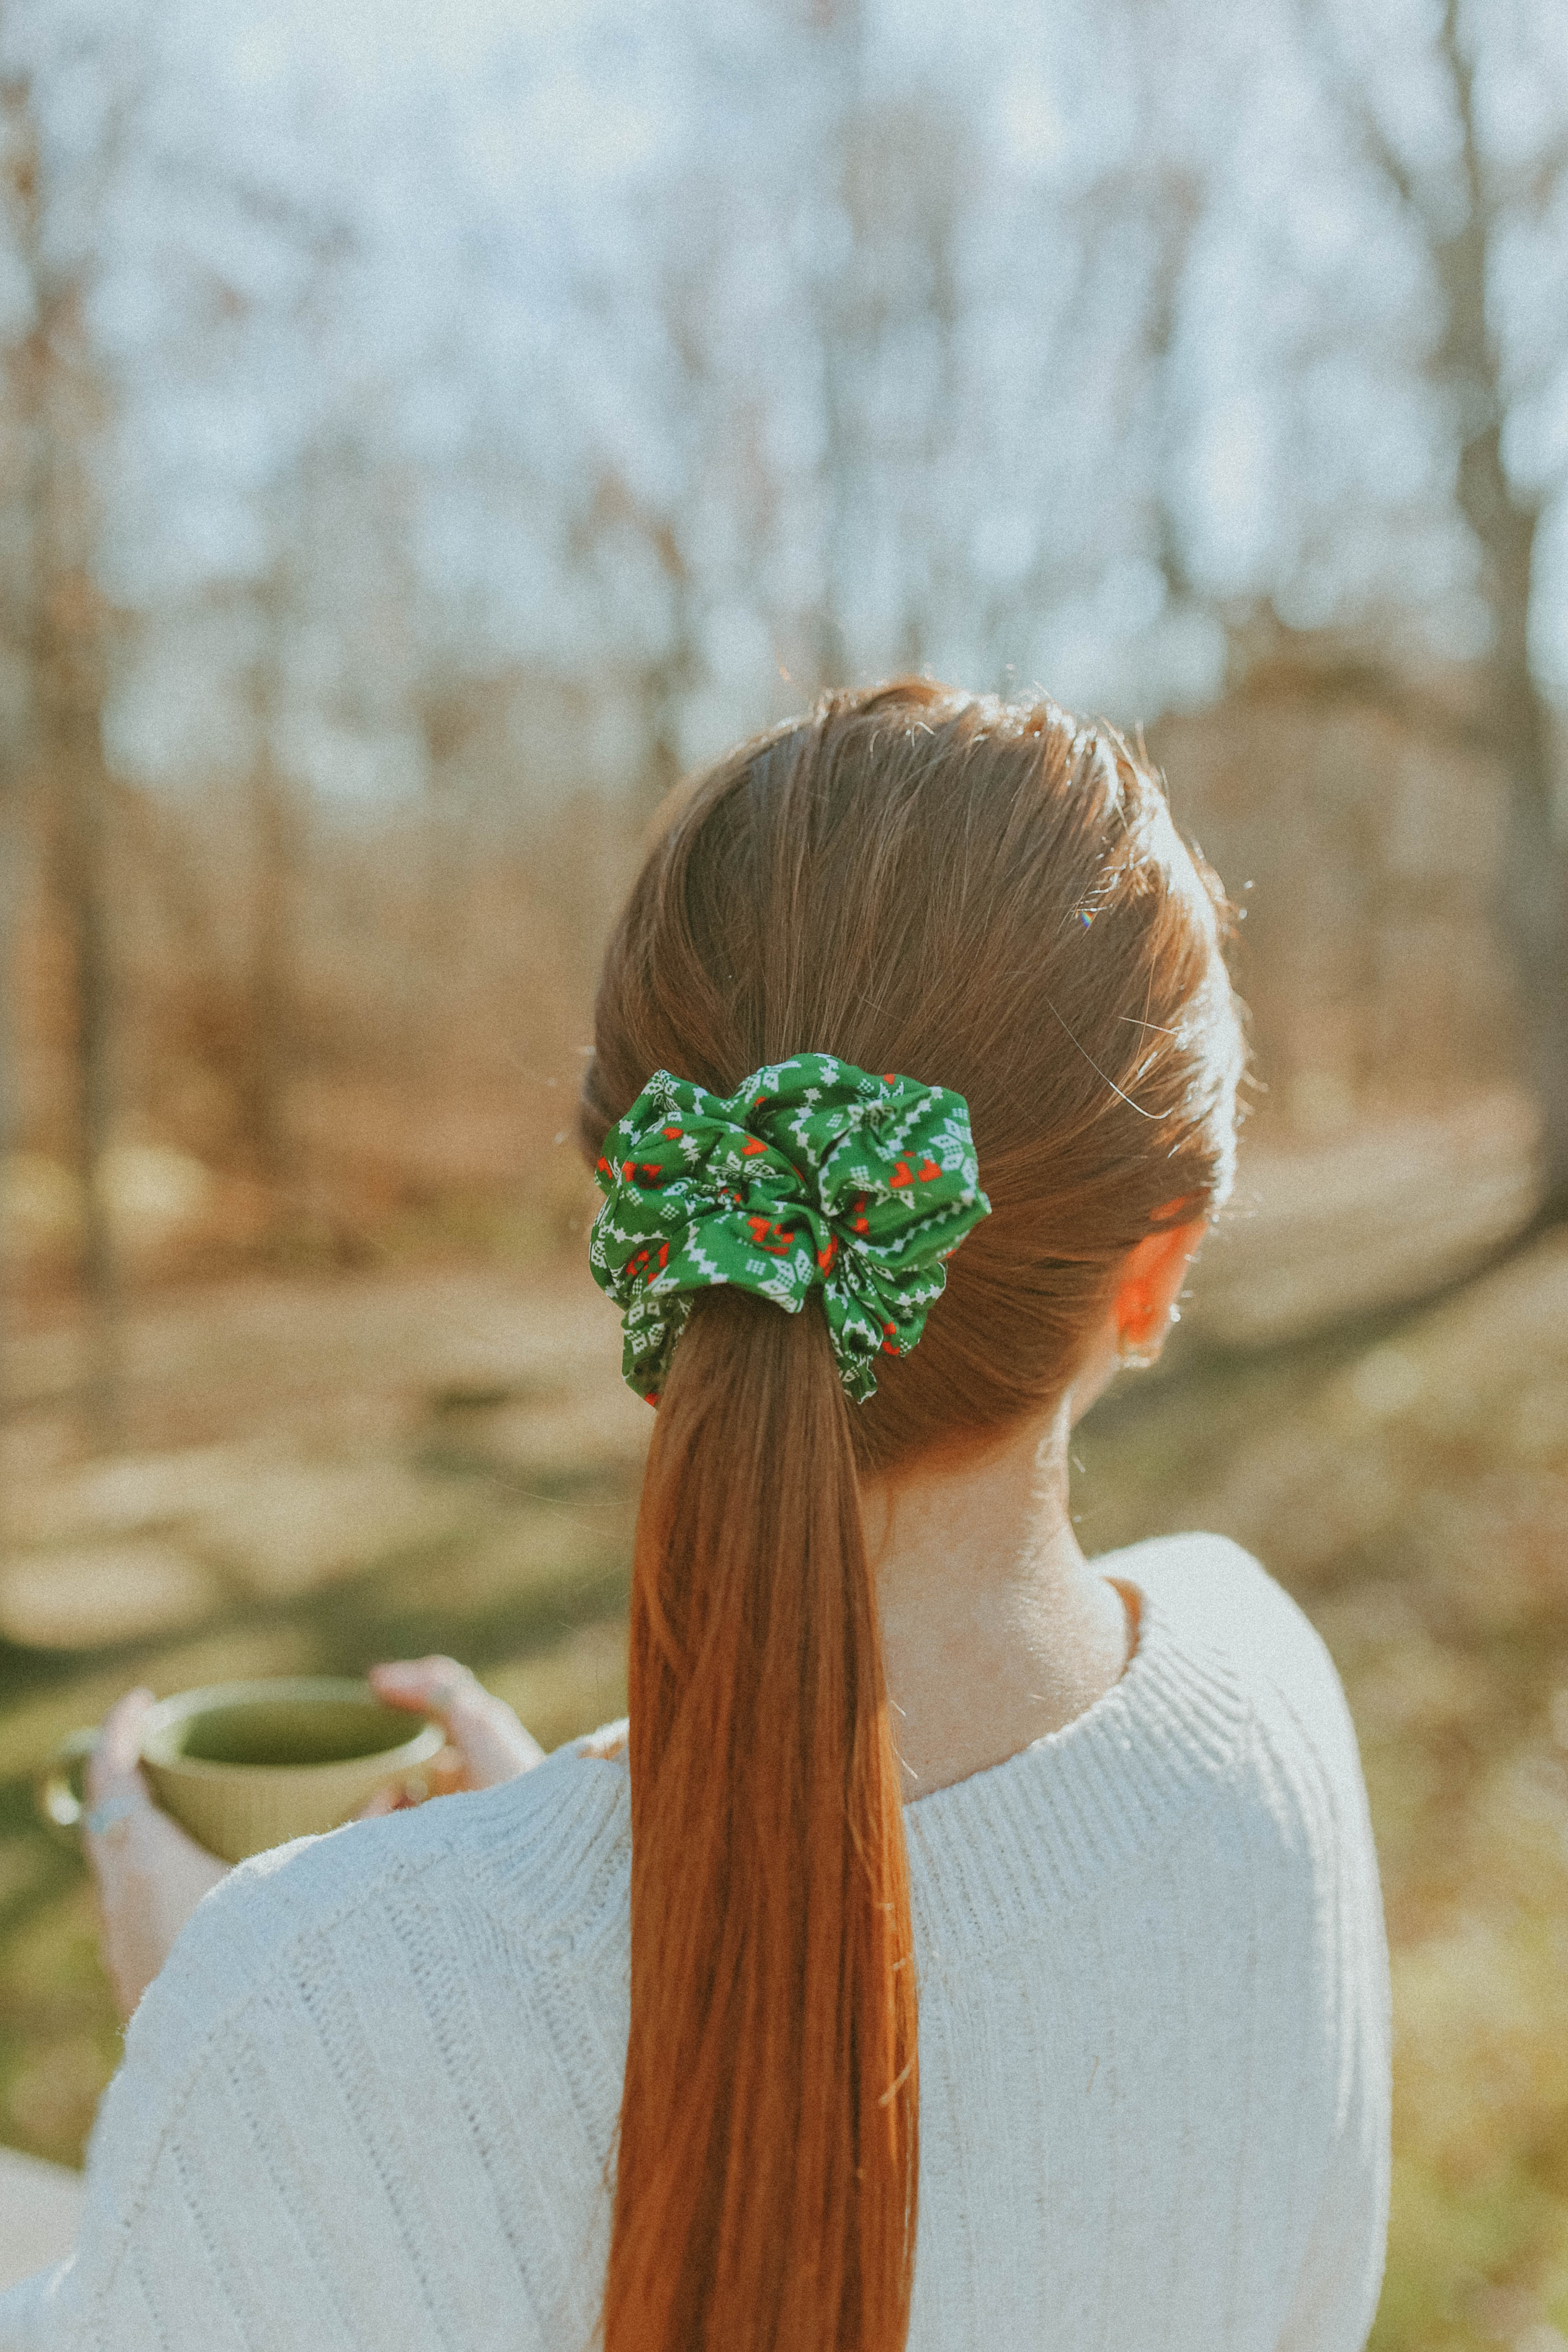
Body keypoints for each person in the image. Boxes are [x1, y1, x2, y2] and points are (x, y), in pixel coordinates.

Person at [1, 681, 1390, 2352]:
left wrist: (233, 2036)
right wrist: (563, 1886)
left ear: (646, 1229)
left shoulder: (304, 2010)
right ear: (1155, 1265)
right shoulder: (1269, 1701)